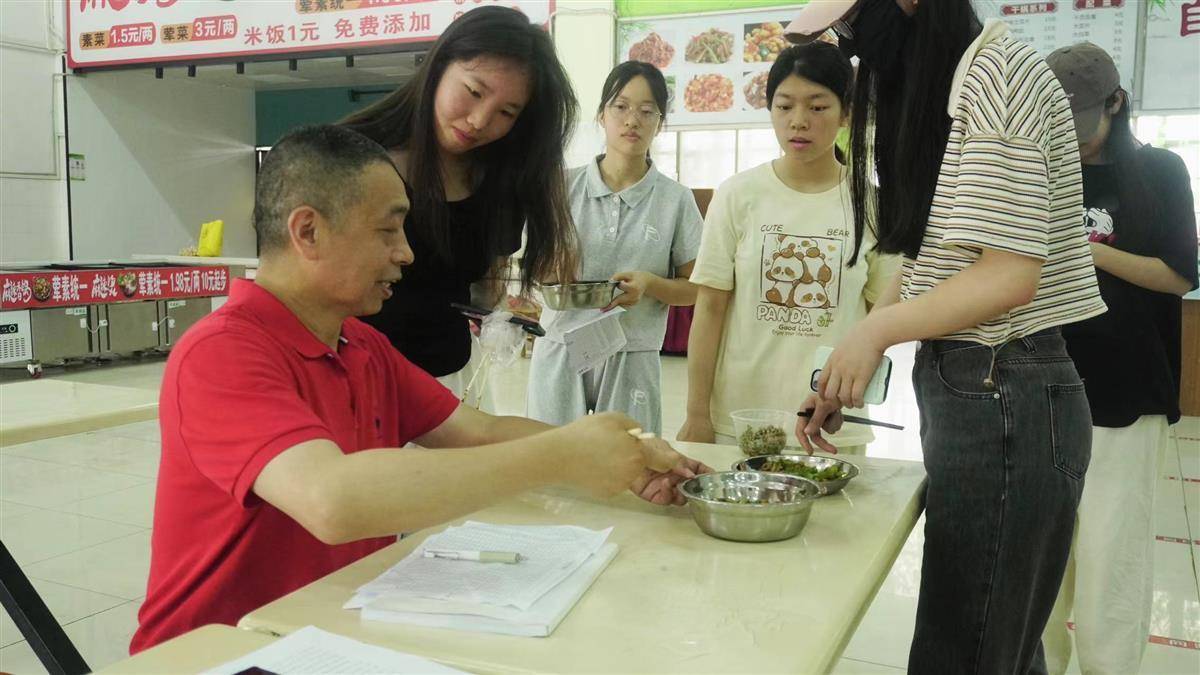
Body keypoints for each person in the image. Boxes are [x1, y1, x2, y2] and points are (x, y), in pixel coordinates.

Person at [130, 126, 706, 653]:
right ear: (308, 231)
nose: (405, 253)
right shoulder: (222, 352)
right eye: (387, 230)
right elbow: (333, 501)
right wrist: (563, 454)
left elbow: (476, 431)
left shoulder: (361, 345)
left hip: (329, 629)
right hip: (221, 651)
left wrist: (629, 454)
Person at [784, 1, 1107, 672]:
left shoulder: (1000, 75)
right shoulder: (960, 84)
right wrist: (851, 363)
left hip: (1004, 392)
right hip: (981, 390)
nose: (852, 50)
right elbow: (937, 259)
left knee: (969, 649)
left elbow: (1009, 274)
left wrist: (876, 329)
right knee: (989, 639)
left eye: (852, 27)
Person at [1041, 42, 1198, 675]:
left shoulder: (1158, 171)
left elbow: (1179, 274)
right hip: (1044, 386)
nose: (1070, 137)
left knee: (1113, 559)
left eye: (1080, 122)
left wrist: (1087, 252)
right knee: (1044, 560)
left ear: (1117, 103)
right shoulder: (1040, 168)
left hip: (1126, 394)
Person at [340, 6, 578, 403]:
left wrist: (500, 314)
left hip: (447, 384)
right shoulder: (350, 156)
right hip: (351, 384)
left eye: (506, 112)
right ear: (440, 65)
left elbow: (479, 286)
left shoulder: (500, 180)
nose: (480, 120)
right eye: (473, 92)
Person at [676, 41, 899, 452]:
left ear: (845, 112)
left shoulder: (872, 205)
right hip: (739, 421)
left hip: (834, 422)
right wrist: (696, 414)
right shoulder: (738, 195)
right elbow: (708, 308)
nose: (799, 122)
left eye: (817, 107)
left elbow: (881, 314)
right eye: (784, 106)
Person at [525, 61, 703, 435]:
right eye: (620, 107)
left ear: (660, 121)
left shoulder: (675, 200)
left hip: (632, 350)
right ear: (602, 115)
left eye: (646, 110)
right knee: (550, 461)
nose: (631, 120)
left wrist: (651, 285)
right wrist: (549, 270)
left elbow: (696, 288)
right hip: (561, 345)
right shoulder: (559, 187)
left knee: (631, 465)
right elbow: (535, 269)